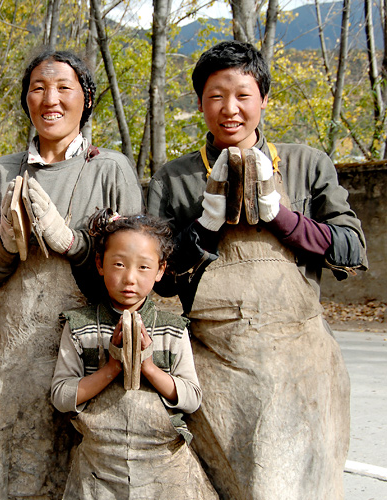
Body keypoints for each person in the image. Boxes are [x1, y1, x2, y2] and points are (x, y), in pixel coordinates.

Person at [147, 40, 367, 499]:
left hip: (302, 364)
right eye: (215, 96)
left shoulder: (307, 165)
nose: (230, 109)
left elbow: (351, 248)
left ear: (264, 99)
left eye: (243, 95)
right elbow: (158, 277)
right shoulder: (175, 178)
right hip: (214, 365)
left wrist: (283, 218)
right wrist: (202, 229)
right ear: (200, 103)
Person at [0, 50, 143, 499]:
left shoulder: (111, 168)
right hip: (14, 350)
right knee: (5, 467)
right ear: (26, 99)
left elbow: (136, 269)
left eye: (65, 88)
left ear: (86, 99)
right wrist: (5, 245)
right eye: (39, 88)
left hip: (90, 347)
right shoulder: (2, 171)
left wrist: (74, 244)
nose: (51, 100)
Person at [51, 208, 217, 499]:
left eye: (143, 267)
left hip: (164, 467)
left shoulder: (173, 329)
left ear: (161, 270)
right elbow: (62, 397)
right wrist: (113, 366)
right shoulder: (80, 326)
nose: (129, 278)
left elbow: (191, 399)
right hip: (98, 467)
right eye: (118, 264)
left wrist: (148, 366)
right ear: (100, 265)